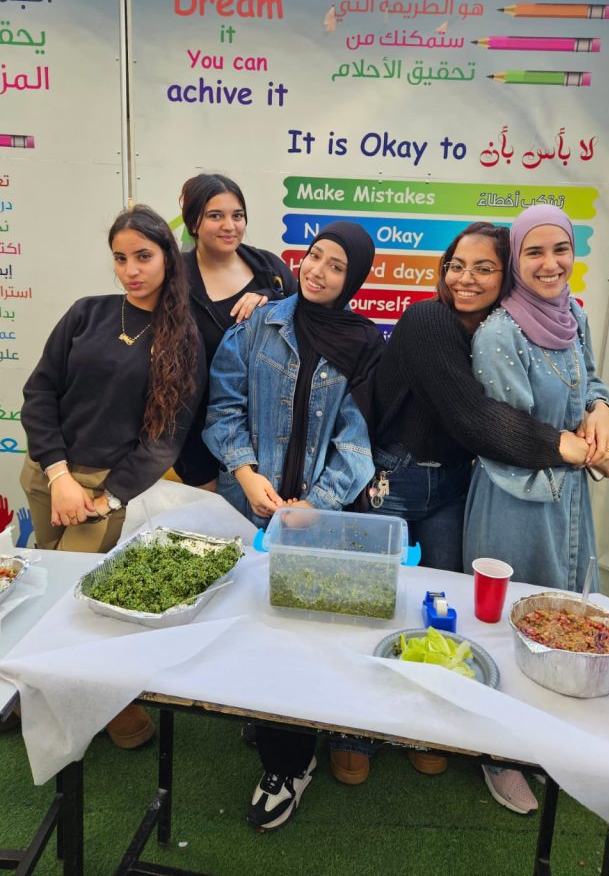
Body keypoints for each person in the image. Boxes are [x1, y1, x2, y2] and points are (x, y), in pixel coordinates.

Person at [331, 221, 594, 797]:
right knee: (373, 604)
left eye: (483, 268)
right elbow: (471, 416)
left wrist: (599, 410)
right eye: (456, 265)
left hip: (454, 486)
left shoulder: (504, 327)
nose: (465, 278)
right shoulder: (429, 319)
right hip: (395, 481)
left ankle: (426, 728)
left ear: (506, 277)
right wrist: (563, 446)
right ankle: (355, 734)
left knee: (440, 611)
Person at [203, 221, 383, 830]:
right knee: (253, 625)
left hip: (316, 519)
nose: (318, 271)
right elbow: (222, 407)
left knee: (297, 638)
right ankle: (269, 722)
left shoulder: (365, 344)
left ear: (353, 280)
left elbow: (359, 442)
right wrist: (246, 472)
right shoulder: (260, 323)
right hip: (249, 506)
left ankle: (290, 764)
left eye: (336, 265)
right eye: (314, 256)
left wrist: (318, 504)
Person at [20, 204, 205, 748]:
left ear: (168, 257)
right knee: (42, 594)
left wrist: (107, 499)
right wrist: (58, 475)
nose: (131, 270)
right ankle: (33, 695)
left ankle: (107, 706)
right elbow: (39, 392)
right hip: (47, 473)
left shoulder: (184, 339)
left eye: (143, 256)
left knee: (76, 605)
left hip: (103, 489)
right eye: (120, 259)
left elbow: (164, 440)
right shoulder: (87, 313)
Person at [463, 204, 609, 813]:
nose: (550, 264)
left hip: (569, 497)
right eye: (534, 252)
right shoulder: (500, 334)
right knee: (512, 626)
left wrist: (603, 414)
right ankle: (498, 753)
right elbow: (510, 437)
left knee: (566, 621)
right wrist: (585, 452)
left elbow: (591, 384)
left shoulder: (574, 315)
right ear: (516, 262)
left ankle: (552, 738)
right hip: (518, 499)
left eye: (561, 250)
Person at [174, 173, 297, 489]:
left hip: (270, 439)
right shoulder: (174, 281)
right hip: (200, 444)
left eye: (237, 215)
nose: (229, 226)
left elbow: (304, 316)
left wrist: (269, 298)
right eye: (216, 216)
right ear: (193, 222)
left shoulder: (270, 271)